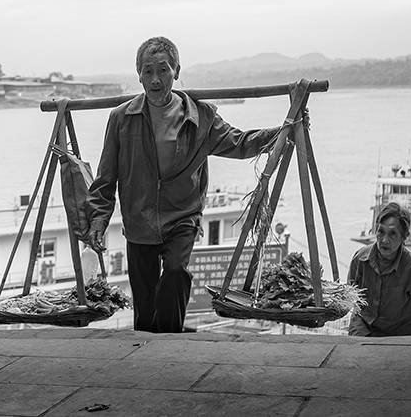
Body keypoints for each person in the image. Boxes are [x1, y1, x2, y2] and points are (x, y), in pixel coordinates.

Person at [86, 36, 283, 333]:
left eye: (163, 70)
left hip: (182, 216)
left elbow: (240, 143)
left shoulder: (200, 118)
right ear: (138, 74)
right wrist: (99, 219)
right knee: (145, 300)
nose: (155, 80)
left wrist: (281, 132)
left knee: (176, 273)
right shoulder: (121, 119)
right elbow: (105, 177)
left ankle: (171, 343)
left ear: (176, 71)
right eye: (148, 71)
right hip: (139, 220)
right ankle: (147, 353)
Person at [347, 202, 411, 336]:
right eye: (381, 232)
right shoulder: (360, 259)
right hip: (362, 327)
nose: (384, 240)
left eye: (392, 234)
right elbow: (352, 292)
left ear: (404, 237)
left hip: (399, 333)